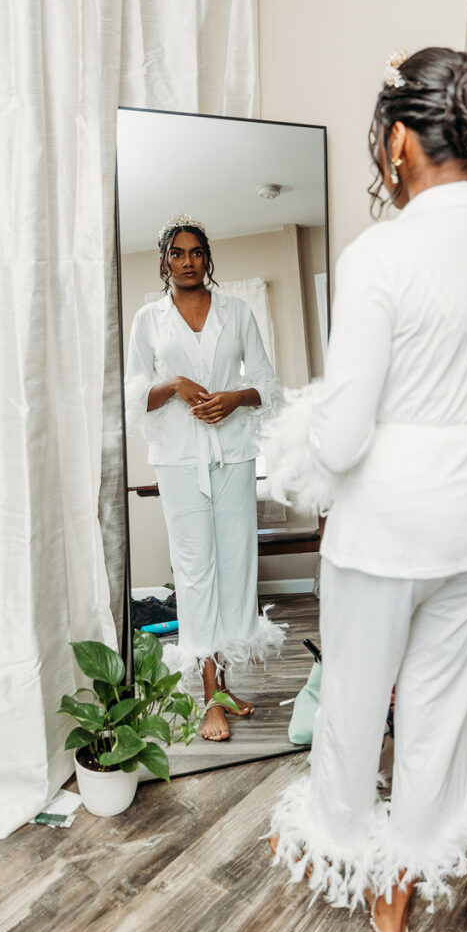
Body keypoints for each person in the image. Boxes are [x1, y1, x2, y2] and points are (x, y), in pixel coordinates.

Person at [263, 48, 467, 932]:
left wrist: (293, 440)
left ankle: (344, 846)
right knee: (441, 703)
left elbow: (345, 436)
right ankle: (404, 879)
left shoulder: (380, 253)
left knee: (356, 697)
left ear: (398, 142)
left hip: (388, 523)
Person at [125, 215, 284, 741]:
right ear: (165, 261)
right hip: (177, 460)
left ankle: (226, 682)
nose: (187, 260)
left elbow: (268, 385)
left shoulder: (238, 313)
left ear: (208, 259)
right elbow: (129, 395)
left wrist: (234, 397)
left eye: (196, 252)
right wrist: (173, 383)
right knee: (195, 571)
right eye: (177, 253)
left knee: (237, 564)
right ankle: (208, 692)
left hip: (234, 454)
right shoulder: (148, 320)